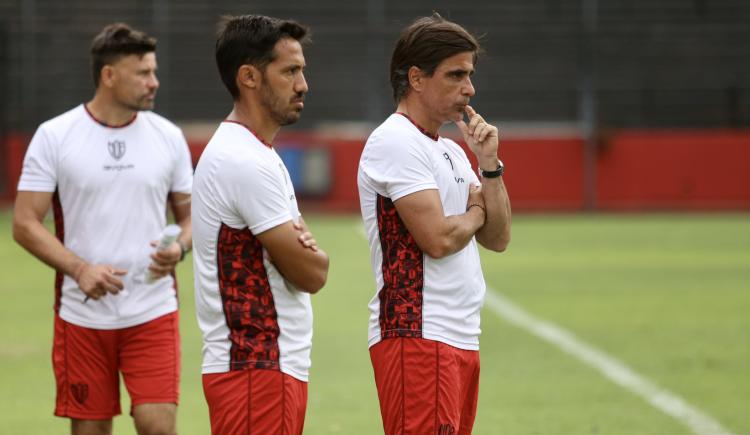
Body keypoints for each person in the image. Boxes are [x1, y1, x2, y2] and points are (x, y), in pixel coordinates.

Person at [12, 23, 192, 435]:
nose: (154, 82)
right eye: (143, 73)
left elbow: (191, 217)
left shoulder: (169, 137)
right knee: (90, 430)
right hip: (82, 315)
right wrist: (79, 269)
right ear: (109, 75)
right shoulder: (55, 136)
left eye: (154, 71)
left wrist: (179, 247)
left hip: (153, 310)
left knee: (158, 426)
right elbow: (24, 223)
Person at [357, 13, 512, 435]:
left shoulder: (451, 150)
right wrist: (477, 212)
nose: (470, 88)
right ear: (417, 78)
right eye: (456, 74)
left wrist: (489, 167)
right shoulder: (395, 141)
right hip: (418, 334)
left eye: (470, 74)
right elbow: (439, 239)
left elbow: (497, 239)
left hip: (459, 335)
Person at [191, 14, 329, 435]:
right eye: (289, 71)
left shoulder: (257, 153)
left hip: (262, 368)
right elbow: (312, 271)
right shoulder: (243, 160)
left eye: (301, 70)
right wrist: (313, 251)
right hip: (257, 367)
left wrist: (304, 248)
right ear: (249, 77)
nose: (303, 84)